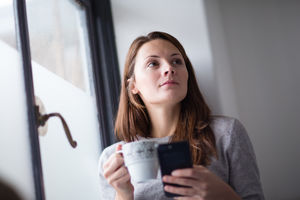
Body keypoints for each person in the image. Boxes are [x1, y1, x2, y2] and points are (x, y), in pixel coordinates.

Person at [98, 31, 265, 200]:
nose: (169, 68)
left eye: (177, 61)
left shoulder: (227, 133)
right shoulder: (113, 161)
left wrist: (223, 195)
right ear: (133, 85)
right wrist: (123, 194)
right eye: (153, 64)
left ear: (187, 75)